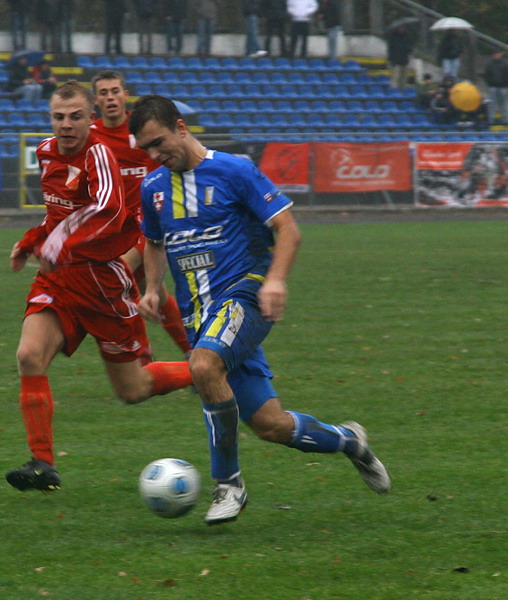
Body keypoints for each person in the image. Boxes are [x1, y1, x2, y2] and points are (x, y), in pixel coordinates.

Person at [129, 95, 391, 525]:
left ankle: (228, 485)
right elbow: (154, 242)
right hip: (202, 317)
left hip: (245, 295)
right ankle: (350, 441)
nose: (156, 155)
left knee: (203, 365)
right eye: (147, 150)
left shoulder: (234, 170)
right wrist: (153, 289)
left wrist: (274, 280)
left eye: (159, 142)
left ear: (180, 127)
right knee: (271, 426)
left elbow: (287, 228)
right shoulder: (153, 189)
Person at [4, 81, 193, 493]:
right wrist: (32, 241)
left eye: (75, 116)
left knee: (133, 389)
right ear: (49, 118)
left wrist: (58, 242)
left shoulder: (99, 154)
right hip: (58, 280)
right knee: (29, 355)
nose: (66, 125)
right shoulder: (45, 152)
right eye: (58, 117)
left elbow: (107, 209)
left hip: (103, 283)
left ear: (90, 117)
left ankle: (207, 369)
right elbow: (58, 213)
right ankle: (42, 464)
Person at [90, 70, 191, 361]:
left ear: (125, 94)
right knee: (152, 291)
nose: (110, 97)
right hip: (113, 231)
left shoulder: (142, 129)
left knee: (116, 279)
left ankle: (143, 353)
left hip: (146, 225)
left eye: (115, 91)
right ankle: (190, 351)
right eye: (104, 93)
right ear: (96, 99)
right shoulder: (93, 136)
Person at [484, 51, 508, 125]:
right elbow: (487, 76)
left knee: (504, 104)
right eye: (496, 54)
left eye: (498, 54)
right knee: (492, 104)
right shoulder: (489, 65)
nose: (497, 56)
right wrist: (489, 84)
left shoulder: (505, 65)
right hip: (493, 87)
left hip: (503, 87)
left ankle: (505, 120)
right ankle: (491, 120)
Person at [386, 23, 413, 90]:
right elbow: (391, 49)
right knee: (395, 77)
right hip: (396, 60)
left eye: (403, 28)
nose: (402, 29)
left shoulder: (407, 36)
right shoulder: (393, 37)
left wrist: (408, 48)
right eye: (400, 28)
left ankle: (402, 91)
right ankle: (394, 92)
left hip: (404, 59)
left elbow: (409, 47)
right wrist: (391, 59)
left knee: (404, 78)